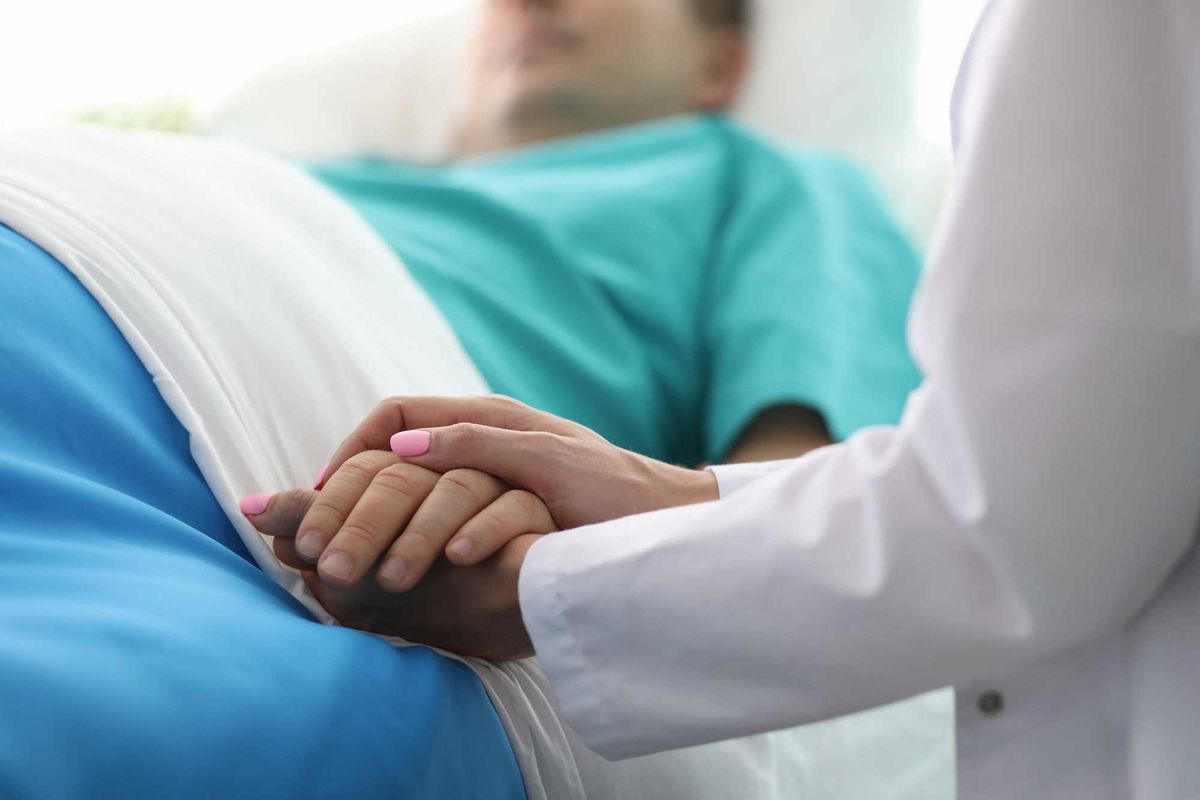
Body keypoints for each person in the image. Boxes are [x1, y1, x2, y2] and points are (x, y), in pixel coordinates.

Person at [247, 0, 1200, 796]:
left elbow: (815, 489)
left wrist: (555, 568)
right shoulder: (293, 176)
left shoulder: (775, 185)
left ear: (720, 61)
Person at [300, 0, 922, 562]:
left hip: (367, 435)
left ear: (719, 65)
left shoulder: (777, 181)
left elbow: (810, 508)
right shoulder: (334, 175)